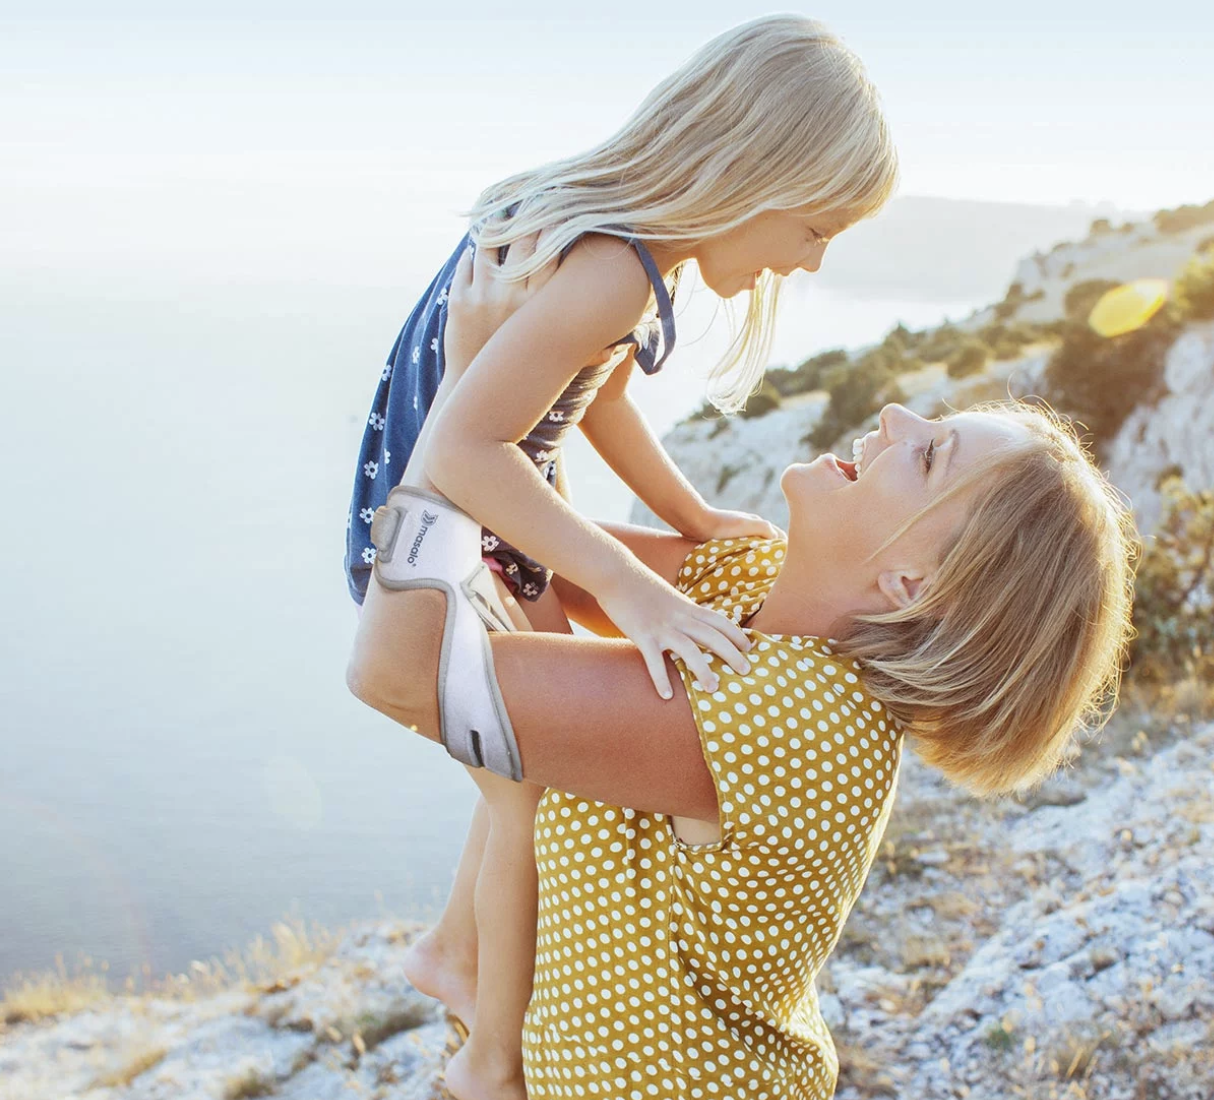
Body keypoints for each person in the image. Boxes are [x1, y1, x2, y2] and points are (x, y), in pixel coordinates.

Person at [343, 16, 899, 1092]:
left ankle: (457, 955)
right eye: (816, 226)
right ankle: (484, 1042)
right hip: (452, 536)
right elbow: (463, 443)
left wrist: (688, 513)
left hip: (479, 520)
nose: (814, 259)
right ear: (754, 173)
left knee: (517, 784)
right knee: (529, 796)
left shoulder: (607, 236)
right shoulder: (617, 270)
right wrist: (632, 588)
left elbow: (599, 398)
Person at [349, 397, 1137, 1099]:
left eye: (929, 454)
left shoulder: (802, 720)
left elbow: (400, 673)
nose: (897, 416)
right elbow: (531, 551)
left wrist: (465, 409)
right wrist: (552, 366)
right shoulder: (757, 587)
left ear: (913, 585)